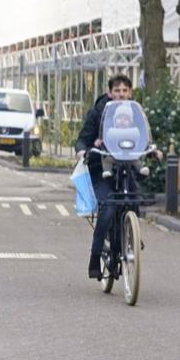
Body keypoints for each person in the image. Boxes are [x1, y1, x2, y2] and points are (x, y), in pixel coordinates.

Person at [75, 74, 132, 281]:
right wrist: (83, 151)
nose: (121, 94)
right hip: (102, 168)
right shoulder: (98, 112)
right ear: (110, 93)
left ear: (130, 93)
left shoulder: (134, 112)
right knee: (107, 208)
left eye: (125, 90)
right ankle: (95, 257)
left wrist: (152, 150)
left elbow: (142, 135)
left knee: (134, 199)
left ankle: (130, 235)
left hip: (126, 166)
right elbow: (82, 139)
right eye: (117, 90)